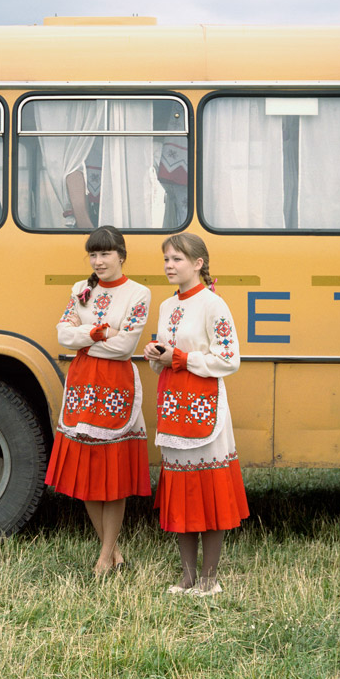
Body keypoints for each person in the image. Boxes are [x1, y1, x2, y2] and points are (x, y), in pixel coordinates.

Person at [143, 232, 249, 596]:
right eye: (166, 260)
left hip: (205, 406)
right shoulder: (166, 306)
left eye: (176, 259)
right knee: (182, 491)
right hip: (174, 406)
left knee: (208, 491)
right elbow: (169, 358)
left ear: (198, 264)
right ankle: (187, 578)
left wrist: (182, 358)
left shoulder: (213, 305)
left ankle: (209, 579)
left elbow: (229, 358)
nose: (169, 266)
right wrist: (157, 356)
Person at [45, 225, 152, 574]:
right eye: (93, 254)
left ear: (121, 254)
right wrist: (97, 332)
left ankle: (105, 556)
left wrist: (84, 339)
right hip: (82, 384)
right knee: (87, 471)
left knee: (114, 473)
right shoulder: (81, 289)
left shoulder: (139, 293)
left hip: (116, 385)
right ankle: (113, 551)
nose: (99, 260)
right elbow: (63, 335)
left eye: (105, 253)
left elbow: (125, 346)